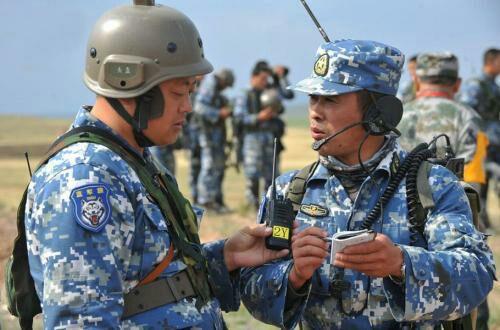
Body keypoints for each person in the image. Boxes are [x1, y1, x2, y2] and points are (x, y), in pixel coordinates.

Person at [23, 1, 288, 328]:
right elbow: (82, 321)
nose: (188, 107)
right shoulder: (86, 178)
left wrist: (225, 256)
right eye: (180, 92)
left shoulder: (131, 162)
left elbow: (144, 280)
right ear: (131, 84)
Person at [240, 39, 496, 329]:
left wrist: (402, 264)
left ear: (379, 114)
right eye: (313, 97)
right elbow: (252, 291)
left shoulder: (432, 186)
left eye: (331, 99)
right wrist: (294, 276)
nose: (315, 111)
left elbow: (477, 276)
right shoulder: (290, 191)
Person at [399, 52, 483, 183]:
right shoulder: (469, 118)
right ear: (457, 84)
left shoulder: (398, 114)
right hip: (452, 200)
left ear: (416, 81)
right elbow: (472, 177)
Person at [234, 61, 276, 210]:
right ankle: (252, 205)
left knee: (270, 174)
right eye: (263, 78)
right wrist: (259, 117)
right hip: (252, 140)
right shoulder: (244, 94)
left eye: (267, 79)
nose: (266, 82)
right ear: (254, 77)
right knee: (252, 174)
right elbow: (238, 117)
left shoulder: (268, 93)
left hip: (268, 139)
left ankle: (268, 205)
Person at [193, 68, 235, 213]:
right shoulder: (209, 85)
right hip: (208, 135)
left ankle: (214, 200)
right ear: (223, 80)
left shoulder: (216, 89)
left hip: (216, 136)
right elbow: (199, 108)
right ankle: (205, 202)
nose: (225, 89)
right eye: (226, 85)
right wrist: (219, 113)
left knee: (216, 168)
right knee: (209, 167)